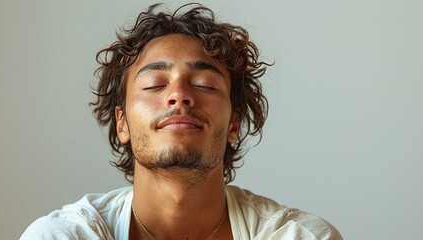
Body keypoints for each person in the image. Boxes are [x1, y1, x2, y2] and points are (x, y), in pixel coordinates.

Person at [21, 2, 342, 240]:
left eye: (204, 84)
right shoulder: (63, 235)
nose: (179, 95)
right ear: (122, 124)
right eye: (155, 84)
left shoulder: (298, 236)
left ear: (233, 124)